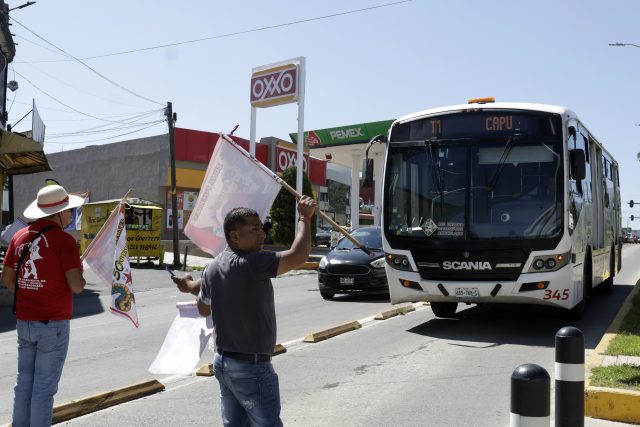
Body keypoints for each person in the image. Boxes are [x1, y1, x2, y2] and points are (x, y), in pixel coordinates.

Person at [173, 196, 316, 427]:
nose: (262, 235)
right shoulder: (253, 263)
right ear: (234, 235)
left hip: (224, 363)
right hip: (252, 367)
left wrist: (188, 285)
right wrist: (305, 218)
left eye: (262, 229)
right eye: (254, 230)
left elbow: (202, 306)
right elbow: (298, 255)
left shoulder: (213, 267)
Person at [1, 184, 86, 427]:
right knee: (43, 389)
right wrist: (80, 273)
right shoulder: (64, 241)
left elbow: (7, 279)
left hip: (25, 322)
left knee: (24, 384)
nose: (70, 215)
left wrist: (30, 293)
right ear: (58, 213)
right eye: (68, 211)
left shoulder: (19, 237)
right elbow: (77, 286)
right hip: (53, 324)